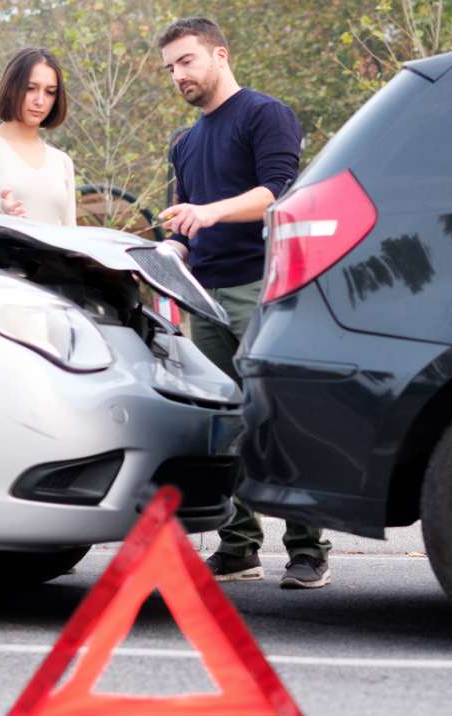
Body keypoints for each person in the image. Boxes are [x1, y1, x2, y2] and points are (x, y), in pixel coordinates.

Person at [156, 17, 332, 589]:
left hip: (264, 286)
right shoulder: (183, 143)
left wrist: (209, 212)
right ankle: (239, 547)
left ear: (219, 54)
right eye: (170, 68)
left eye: (186, 61)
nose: (178, 74)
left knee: (281, 416)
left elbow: (278, 194)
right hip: (204, 297)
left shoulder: (265, 113)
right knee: (224, 422)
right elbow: (185, 218)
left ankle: (308, 548)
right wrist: (172, 246)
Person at [0, 47, 76, 227]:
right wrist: (1, 211)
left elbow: (71, 234)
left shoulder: (62, 161)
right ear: (12, 88)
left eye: (50, 91)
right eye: (30, 88)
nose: (40, 101)